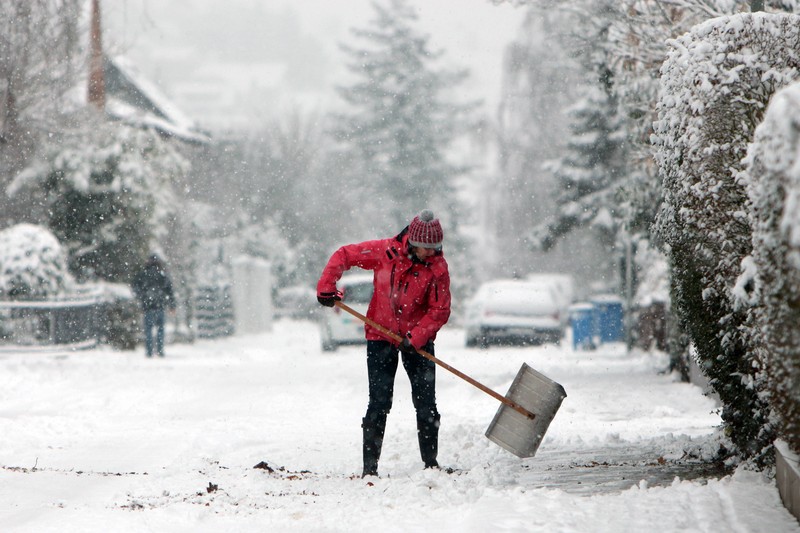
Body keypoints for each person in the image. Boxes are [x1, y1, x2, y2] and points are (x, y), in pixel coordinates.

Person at [317, 209, 451, 477]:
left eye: (434, 247)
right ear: (412, 241)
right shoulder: (385, 252)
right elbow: (344, 255)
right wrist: (326, 286)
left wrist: (417, 337)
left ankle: (431, 464)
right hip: (380, 338)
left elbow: (440, 310)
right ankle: (370, 469)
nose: (430, 253)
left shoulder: (438, 268)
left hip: (418, 343)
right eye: (425, 248)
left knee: (426, 404)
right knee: (378, 403)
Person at [132, 254, 176, 358]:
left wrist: (141, 297)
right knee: (160, 329)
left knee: (148, 330)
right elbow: (169, 291)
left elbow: (135, 287)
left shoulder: (143, 275)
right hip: (160, 306)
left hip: (148, 307)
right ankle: (160, 350)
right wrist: (172, 305)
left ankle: (149, 351)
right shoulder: (162, 276)